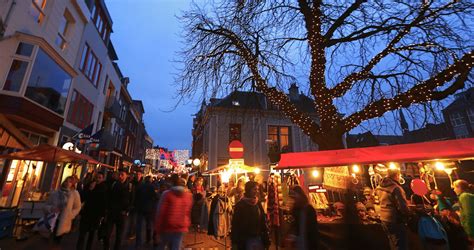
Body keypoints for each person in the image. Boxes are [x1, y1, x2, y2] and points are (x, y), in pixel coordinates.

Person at [154, 177, 193, 250]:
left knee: (162, 246)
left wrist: (158, 229)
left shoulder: (167, 194)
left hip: (167, 225)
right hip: (181, 226)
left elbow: (161, 212)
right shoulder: (188, 195)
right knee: (176, 247)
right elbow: (188, 212)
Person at [376, 168, 409, 250]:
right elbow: (402, 207)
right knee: (400, 244)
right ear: (397, 175)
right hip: (394, 219)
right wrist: (409, 213)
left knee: (392, 242)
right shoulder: (396, 188)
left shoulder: (379, 186)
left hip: (384, 218)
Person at [231, 181, 270, 250]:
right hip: (245, 240)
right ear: (249, 189)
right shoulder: (240, 205)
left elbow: (263, 221)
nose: (257, 191)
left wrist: (266, 237)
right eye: (254, 189)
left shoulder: (257, 203)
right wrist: (234, 242)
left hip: (258, 238)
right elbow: (235, 225)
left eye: (257, 189)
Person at [44, 176, 82, 243]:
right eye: (66, 181)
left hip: (64, 220)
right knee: (48, 241)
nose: (67, 183)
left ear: (72, 184)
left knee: (57, 241)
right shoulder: (55, 193)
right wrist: (52, 208)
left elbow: (77, 207)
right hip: (52, 219)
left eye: (70, 182)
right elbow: (46, 205)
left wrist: (71, 215)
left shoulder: (74, 194)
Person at [76, 172, 108, 250]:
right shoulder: (89, 185)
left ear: (103, 179)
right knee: (82, 234)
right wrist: (90, 189)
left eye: (100, 177)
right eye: (97, 177)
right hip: (86, 213)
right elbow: (82, 197)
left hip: (95, 215)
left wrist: (102, 215)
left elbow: (104, 203)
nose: (97, 179)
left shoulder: (104, 188)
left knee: (91, 235)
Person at [104, 168, 131, 250]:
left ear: (127, 175)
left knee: (119, 235)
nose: (120, 176)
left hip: (122, 214)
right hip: (112, 212)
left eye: (122, 174)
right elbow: (108, 196)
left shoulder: (130, 186)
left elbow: (132, 199)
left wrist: (127, 210)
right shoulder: (113, 184)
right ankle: (106, 247)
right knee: (107, 234)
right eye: (119, 174)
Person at [287, 185, 318, 250]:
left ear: (300, 195)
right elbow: (294, 225)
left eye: (295, 195)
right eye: (292, 196)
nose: (294, 198)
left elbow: (313, 229)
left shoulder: (309, 209)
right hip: (299, 241)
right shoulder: (295, 209)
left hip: (308, 242)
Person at [135, 175, 156, 247]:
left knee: (139, 225)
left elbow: (136, 196)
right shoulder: (152, 187)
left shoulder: (140, 186)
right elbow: (154, 197)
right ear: (150, 180)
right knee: (148, 224)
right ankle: (148, 239)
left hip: (140, 207)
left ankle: (138, 241)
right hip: (148, 208)